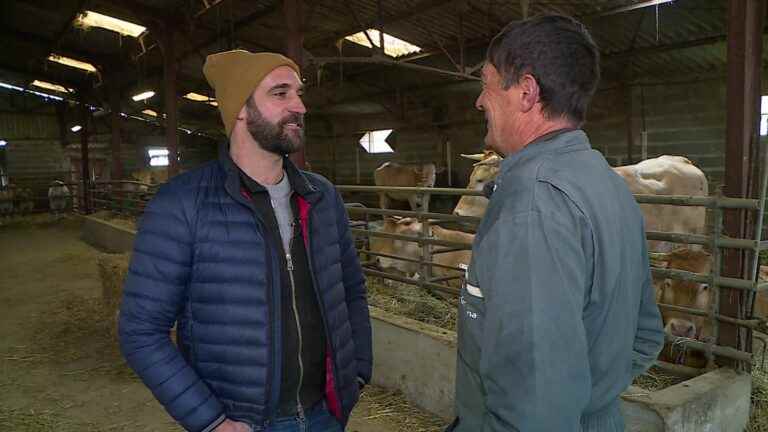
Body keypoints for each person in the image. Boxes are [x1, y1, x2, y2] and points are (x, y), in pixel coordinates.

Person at [118, 50, 372, 432]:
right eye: (281, 93)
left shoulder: (321, 197)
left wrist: (357, 374)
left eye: (299, 93)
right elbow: (140, 329)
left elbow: (351, 291)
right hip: (245, 424)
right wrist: (211, 421)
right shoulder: (183, 203)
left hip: (326, 415)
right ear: (240, 108)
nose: (300, 106)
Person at [448, 15, 664, 432]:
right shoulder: (609, 185)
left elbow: (533, 403)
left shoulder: (533, 203)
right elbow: (645, 336)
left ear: (526, 93)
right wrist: (593, 398)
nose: (479, 101)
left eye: (486, 85)